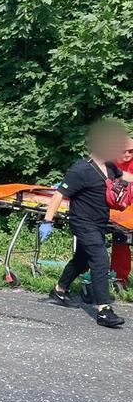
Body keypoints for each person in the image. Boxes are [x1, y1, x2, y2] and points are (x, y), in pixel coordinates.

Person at [41, 120, 130, 328]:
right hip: (82, 223)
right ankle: (104, 310)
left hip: (98, 224)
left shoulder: (110, 167)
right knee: (100, 260)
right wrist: (47, 221)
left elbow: (126, 177)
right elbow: (58, 195)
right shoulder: (80, 169)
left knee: (81, 260)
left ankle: (59, 290)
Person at [110, 136, 133, 284]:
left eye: (131, 151)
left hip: (128, 211)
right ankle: (85, 273)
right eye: (124, 151)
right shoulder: (108, 163)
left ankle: (120, 278)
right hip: (110, 208)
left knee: (122, 240)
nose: (127, 154)